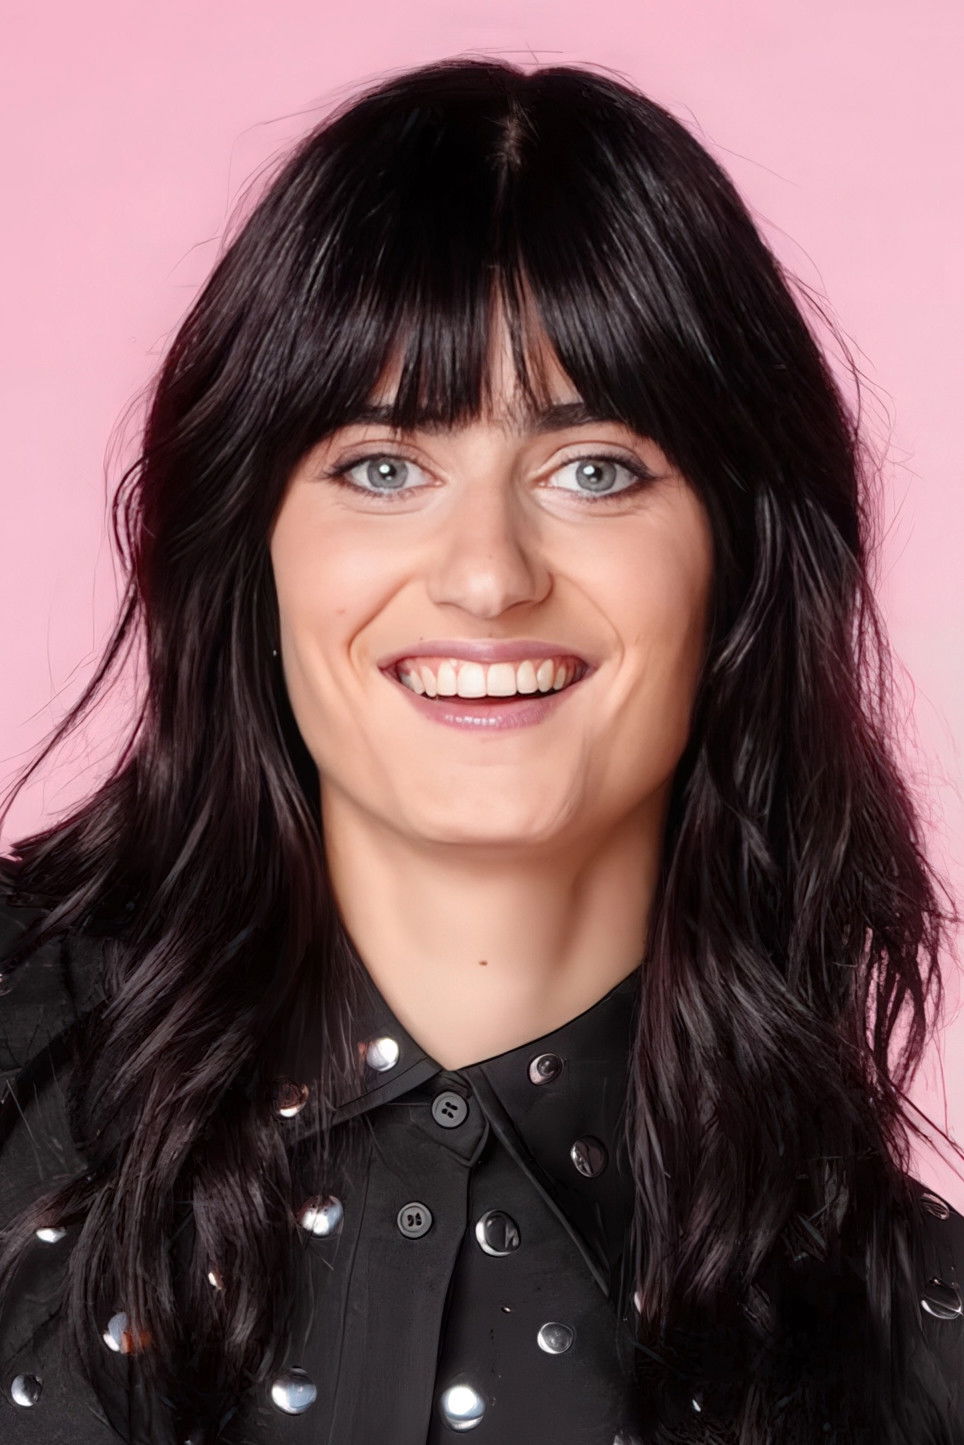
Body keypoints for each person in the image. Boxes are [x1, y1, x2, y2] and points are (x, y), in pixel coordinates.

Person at [0, 54, 961, 1445]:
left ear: (740, 560)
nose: (490, 576)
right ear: (251, 550)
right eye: (384, 467)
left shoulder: (916, 1357)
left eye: (594, 470)